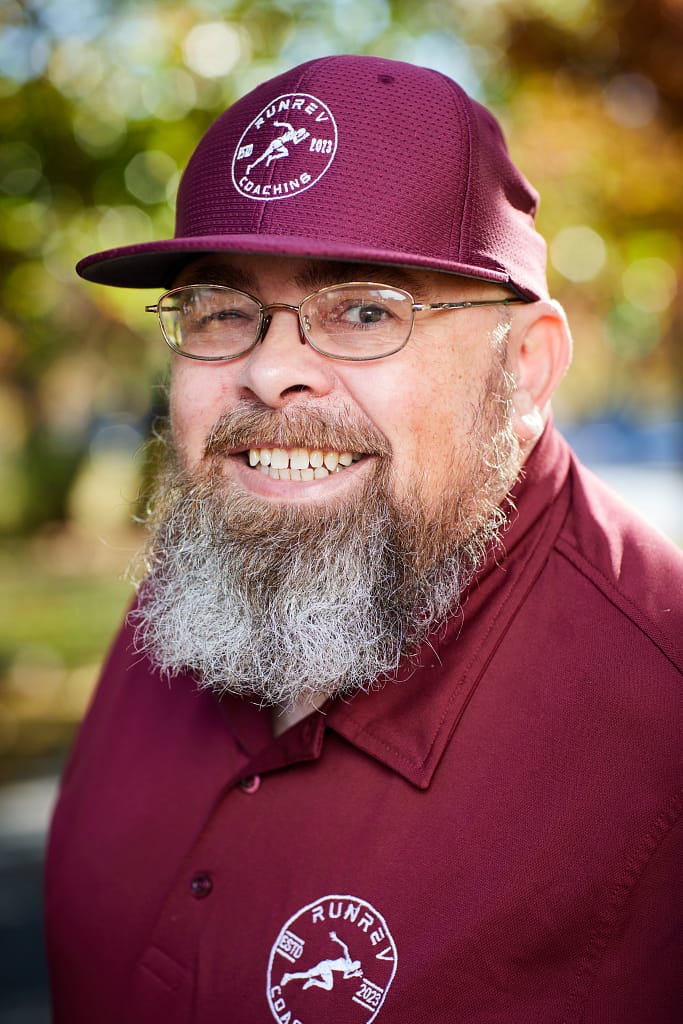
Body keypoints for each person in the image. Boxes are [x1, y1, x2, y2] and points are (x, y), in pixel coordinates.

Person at [45, 54, 682, 1023]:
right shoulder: (199, 567)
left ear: (525, 371)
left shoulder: (660, 721)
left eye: (364, 311)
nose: (268, 372)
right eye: (219, 309)